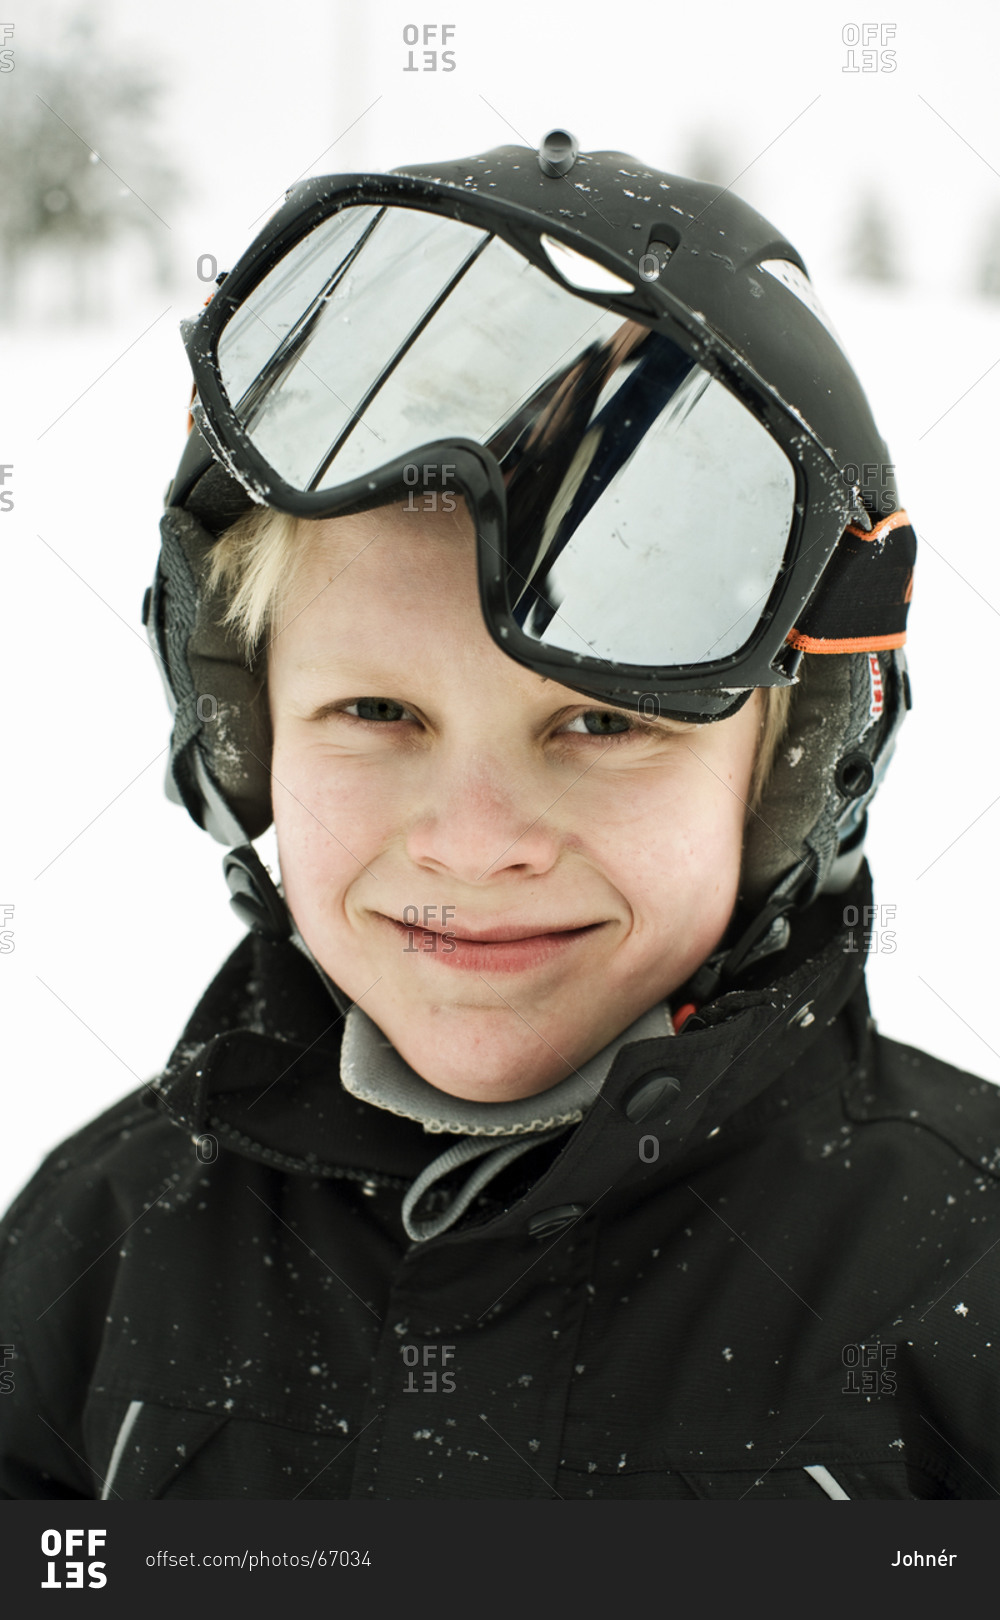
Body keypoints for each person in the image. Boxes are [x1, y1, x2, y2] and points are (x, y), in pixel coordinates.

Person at [2, 130, 998, 1503]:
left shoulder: (965, 1284)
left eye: (600, 724)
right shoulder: (95, 1256)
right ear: (242, 734)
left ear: (793, 773)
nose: (473, 843)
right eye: (378, 715)